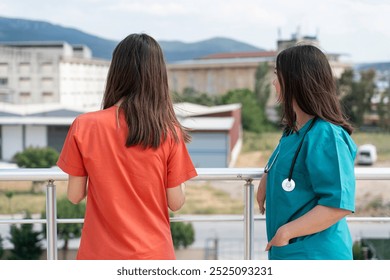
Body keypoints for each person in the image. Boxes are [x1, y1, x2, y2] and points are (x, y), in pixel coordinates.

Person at [57, 33, 197, 260]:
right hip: (153, 256)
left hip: (99, 256)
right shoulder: (169, 131)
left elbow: (74, 196)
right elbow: (176, 203)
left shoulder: (84, 125)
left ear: (116, 71)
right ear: (158, 75)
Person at [256, 44, 357, 260]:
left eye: (277, 75)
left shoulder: (326, 134)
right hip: (293, 252)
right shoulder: (294, 131)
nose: (274, 83)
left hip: (318, 256)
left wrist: (286, 232)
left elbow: (338, 205)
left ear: (295, 81)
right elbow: (286, 164)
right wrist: (266, 179)